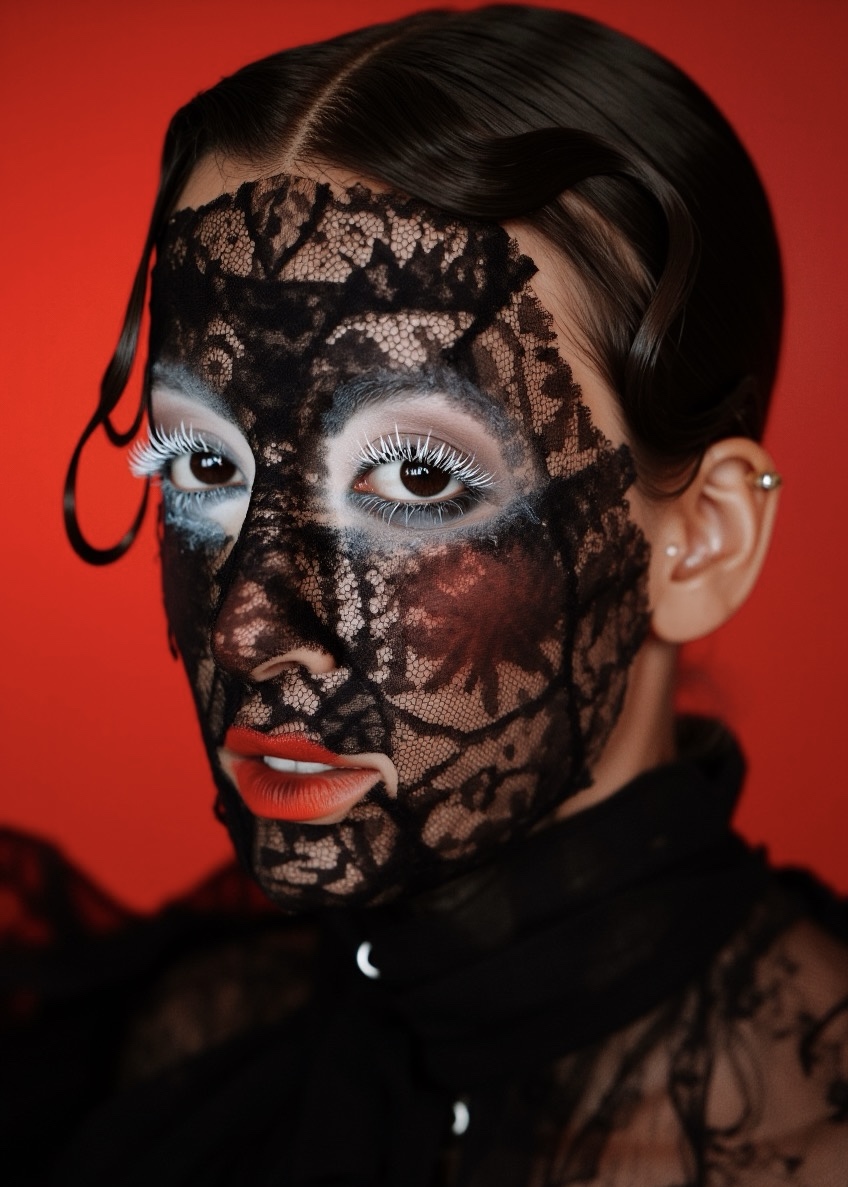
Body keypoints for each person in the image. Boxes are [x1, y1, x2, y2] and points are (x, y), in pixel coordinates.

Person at [4, 5, 847, 1183]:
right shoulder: (182, 1052)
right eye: (203, 462)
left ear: (698, 543)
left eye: (414, 477)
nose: (247, 624)